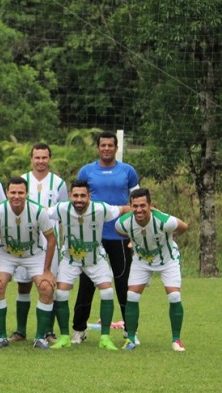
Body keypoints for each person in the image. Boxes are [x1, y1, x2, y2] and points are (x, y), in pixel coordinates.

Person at [72, 131, 139, 344]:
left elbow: (137, 202)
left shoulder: (128, 171)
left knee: (123, 282)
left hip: (119, 235)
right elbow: (77, 201)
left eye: (111, 145)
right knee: (87, 283)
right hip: (91, 238)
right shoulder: (87, 171)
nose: (107, 149)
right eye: (103, 145)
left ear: (116, 147)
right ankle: (79, 329)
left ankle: (130, 331)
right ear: (98, 148)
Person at [47, 180, 129, 351]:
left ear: (89, 196)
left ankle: (105, 338)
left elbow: (124, 209)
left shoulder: (100, 208)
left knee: (107, 291)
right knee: (61, 293)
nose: (79, 199)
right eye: (75, 195)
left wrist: (149, 211)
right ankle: (64, 337)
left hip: (95, 259)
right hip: (70, 260)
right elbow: (41, 213)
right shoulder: (62, 208)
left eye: (83, 195)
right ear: (70, 196)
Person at [0, 176, 56, 349]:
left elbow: (51, 239)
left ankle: (40, 338)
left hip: (34, 254)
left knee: (46, 287)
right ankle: (0, 337)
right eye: (13, 192)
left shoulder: (39, 211)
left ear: (26, 193)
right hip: (6, 254)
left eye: (20, 192)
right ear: (7, 192)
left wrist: (46, 270)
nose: (17, 196)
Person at [115, 188, 189, 352]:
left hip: (167, 260)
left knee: (174, 296)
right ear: (131, 206)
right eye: (135, 206)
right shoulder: (124, 222)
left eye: (143, 205)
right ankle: (131, 338)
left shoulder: (164, 220)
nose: (139, 209)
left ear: (150, 205)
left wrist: (174, 235)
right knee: (132, 296)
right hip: (142, 261)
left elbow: (184, 226)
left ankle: (176, 339)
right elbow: (119, 230)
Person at [11, 143, 69, 343]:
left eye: (44, 157)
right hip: (24, 243)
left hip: (49, 243)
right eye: (37, 157)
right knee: (23, 285)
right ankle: (20, 330)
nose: (40, 161)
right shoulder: (23, 181)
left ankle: (47, 331)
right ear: (31, 159)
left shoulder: (59, 183)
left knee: (47, 285)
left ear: (49, 159)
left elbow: (63, 213)